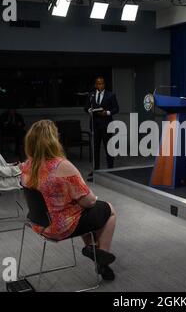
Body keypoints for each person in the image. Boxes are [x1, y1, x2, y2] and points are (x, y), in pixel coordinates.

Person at [21, 120, 117, 280]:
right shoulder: (62, 166)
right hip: (60, 227)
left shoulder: (27, 165)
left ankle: (92, 248)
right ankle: (102, 257)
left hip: (39, 224)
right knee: (108, 210)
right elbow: (89, 201)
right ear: (53, 139)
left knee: (79, 208)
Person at [84, 77, 119, 176]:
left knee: (108, 147)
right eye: (98, 84)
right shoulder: (91, 95)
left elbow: (116, 108)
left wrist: (107, 112)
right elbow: (86, 107)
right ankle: (96, 170)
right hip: (95, 125)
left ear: (104, 84)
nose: (100, 85)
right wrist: (89, 111)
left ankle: (111, 170)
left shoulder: (111, 95)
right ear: (95, 85)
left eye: (102, 83)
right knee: (95, 148)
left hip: (106, 125)